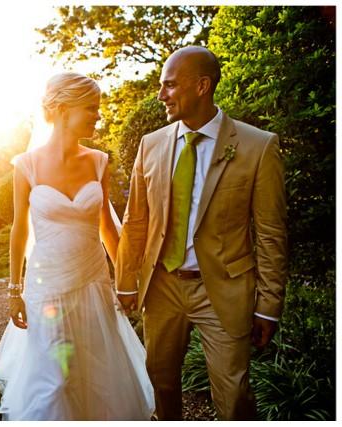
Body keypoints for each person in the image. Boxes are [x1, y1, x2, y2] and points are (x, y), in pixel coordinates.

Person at [115, 46, 288, 420]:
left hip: (223, 291)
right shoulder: (151, 145)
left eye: (170, 86)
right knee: (160, 382)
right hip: (162, 287)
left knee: (233, 393)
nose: (161, 95)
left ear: (202, 86)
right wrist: (127, 279)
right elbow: (136, 220)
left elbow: (272, 233)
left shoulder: (258, 146)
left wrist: (269, 306)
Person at [0, 72, 154, 420]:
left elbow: (108, 229)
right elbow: (19, 231)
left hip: (93, 282)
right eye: (91, 108)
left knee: (97, 371)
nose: (98, 115)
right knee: (54, 379)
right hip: (46, 286)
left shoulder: (98, 162)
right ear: (64, 109)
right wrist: (13, 289)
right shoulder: (27, 166)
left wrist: (126, 282)